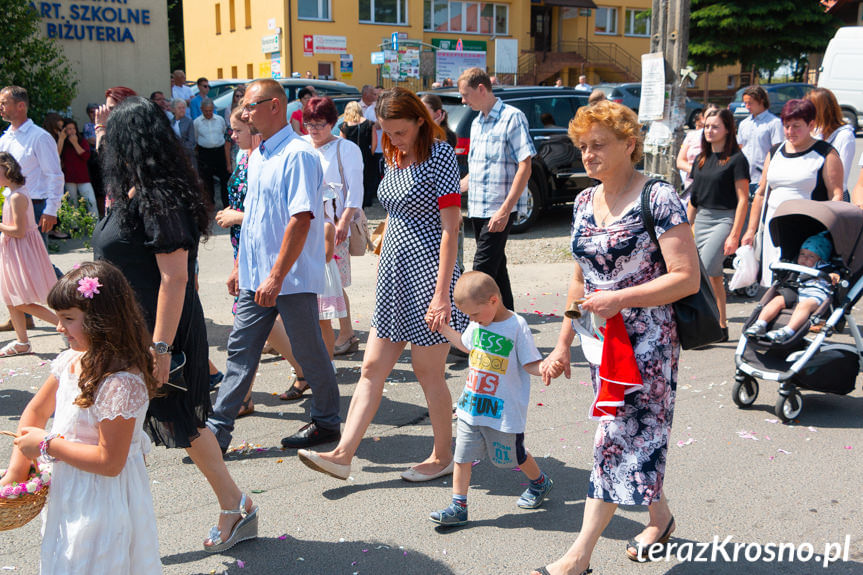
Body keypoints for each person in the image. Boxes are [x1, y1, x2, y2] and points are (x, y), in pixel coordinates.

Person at [535, 100, 700, 575]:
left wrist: (621, 299)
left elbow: (686, 277)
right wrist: (563, 343)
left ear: (630, 144)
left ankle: (577, 558)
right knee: (634, 439)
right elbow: (578, 281)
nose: (587, 155)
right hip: (600, 344)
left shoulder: (659, 196)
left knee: (615, 441)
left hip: (646, 346)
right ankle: (661, 517)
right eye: (582, 147)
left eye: (598, 145)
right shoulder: (585, 201)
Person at [93, 96, 257, 552]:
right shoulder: (132, 188)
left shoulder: (157, 195)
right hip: (127, 329)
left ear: (132, 142)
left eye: (113, 138)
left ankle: (234, 505)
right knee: (123, 423)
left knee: (179, 420)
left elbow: (176, 276)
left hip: (156, 332)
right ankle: (120, 524)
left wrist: (160, 348)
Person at [298, 87, 466, 483]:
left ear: (421, 122)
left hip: (428, 274)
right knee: (372, 367)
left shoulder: (439, 156)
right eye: (387, 131)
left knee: (428, 372)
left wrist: (442, 294)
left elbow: (451, 227)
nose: (392, 138)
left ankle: (442, 456)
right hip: (394, 273)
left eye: (400, 131)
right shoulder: (395, 153)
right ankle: (342, 455)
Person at [205, 79, 341, 453]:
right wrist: (239, 267)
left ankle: (327, 423)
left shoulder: (298, 154)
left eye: (251, 106)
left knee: (309, 352)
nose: (245, 113)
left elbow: (300, 220)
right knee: (240, 351)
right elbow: (257, 220)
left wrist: (277, 276)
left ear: (275, 106)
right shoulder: (260, 153)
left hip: (289, 279)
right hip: (256, 279)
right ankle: (217, 430)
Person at [0, 261, 162, 573]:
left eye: (68, 319)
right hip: (71, 490)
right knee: (67, 561)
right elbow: (33, 414)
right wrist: (16, 473)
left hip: (104, 502)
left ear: (102, 320)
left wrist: (46, 446)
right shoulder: (68, 362)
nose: (58, 327)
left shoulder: (120, 383)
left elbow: (110, 462)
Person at [428, 271, 552, 526]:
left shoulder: (516, 326)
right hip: (472, 406)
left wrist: (545, 368)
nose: (472, 320)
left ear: (493, 301)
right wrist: (443, 328)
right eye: (469, 316)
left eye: (474, 314)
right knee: (461, 456)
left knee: (515, 456)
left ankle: (540, 482)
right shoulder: (478, 323)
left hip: (503, 410)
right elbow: (466, 345)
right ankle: (458, 506)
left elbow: (530, 363)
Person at [215, 107, 302, 416]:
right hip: (243, 243)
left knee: (246, 327)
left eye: (237, 130)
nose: (232, 136)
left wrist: (236, 217)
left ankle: (242, 396)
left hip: (263, 249)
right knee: (263, 321)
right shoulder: (245, 158)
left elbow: (276, 213)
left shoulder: (269, 157)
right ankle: (304, 370)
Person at [741, 99, 844, 286]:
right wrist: (751, 230)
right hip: (775, 230)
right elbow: (762, 193)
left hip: (808, 235)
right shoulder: (775, 151)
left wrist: (830, 236)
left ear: (811, 125)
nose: (790, 132)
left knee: (799, 288)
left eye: (796, 126)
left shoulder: (826, 153)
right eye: (786, 126)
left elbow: (836, 195)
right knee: (773, 285)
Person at [458, 67, 535, 311]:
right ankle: (510, 323)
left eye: (465, 94)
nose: (463, 100)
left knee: (480, 273)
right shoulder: (477, 123)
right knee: (497, 272)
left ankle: (470, 332)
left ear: (481, 89)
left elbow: (525, 166)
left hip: (498, 210)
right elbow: (477, 173)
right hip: (478, 209)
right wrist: (449, 191)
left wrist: (505, 210)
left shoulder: (512, 117)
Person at [302, 97, 363, 359]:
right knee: (310, 285)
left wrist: (344, 223)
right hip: (304, 226)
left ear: (332, 123)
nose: (314, 130)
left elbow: (355, 192)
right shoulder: (301, 145)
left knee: (333, 284)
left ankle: (346, 333)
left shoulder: (346, 149)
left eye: (320, 124)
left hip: (334, 227)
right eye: (309, 124)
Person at [686, 108, 750, 341]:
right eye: (706, 126)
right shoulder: (701, 159)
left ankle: (708, 324)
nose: (709, 130)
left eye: (715, 126)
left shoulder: (737, 159)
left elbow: (744, 199)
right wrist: (684, 227)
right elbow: (694, 198)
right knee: (712, 275)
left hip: (725, 219)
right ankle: (721, 325)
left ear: (727, 130)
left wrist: (735, 234)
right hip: (701, 218)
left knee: (706, 267)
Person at [0, 152, 59, 356]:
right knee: (10, 297)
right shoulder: (12, 193)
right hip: (13, 249)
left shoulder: (17, 196)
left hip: (21, 250)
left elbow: (18, 230)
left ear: (6, 169)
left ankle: (63, 325)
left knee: (22, 299)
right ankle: (22, 342)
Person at [744, 232, 838, 343]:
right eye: (802, 254)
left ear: (821, 259)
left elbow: (835, 274)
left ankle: (787, 331)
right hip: (797, 291)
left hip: (816, 295)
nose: (804, 258)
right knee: (777, 300)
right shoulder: (795, 265)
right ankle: (760, 324)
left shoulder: (824, 267)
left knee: (804, 306)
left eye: (811, 256)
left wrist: (834, 275)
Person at [0, 86, 65, 241]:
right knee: (13, 259)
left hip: (34, 207)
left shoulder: (40, 137)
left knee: (35, 259)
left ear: (21, 106)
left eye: (4, 103)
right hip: (9, 204)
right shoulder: (5, 138)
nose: (0, 107)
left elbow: (54, 175)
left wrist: (51, 210)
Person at [805, 88, 856, 199]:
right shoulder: (816, 132)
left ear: (821, 110)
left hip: (835, 196)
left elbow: (841, 177)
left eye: (810, 109)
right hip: (813, 194)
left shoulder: (845, 135)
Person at [736, 85, 783, 195]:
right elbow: (740, 148)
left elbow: (776, 151)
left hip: (762, 178)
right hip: (744, 177)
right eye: (745, 103)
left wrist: (765, 177)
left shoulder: (774, 123)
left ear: (761, 101)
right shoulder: (744, 124)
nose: (747, 106)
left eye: (750, 103)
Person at [194, 97, 231, 208]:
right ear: (201, 109)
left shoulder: (220, 119)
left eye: (210, 110)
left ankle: (226, 204)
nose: (208, 113)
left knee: (224, 179)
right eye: (206, 111)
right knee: (207, 180)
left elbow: (224, 133)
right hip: (205, 153)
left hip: (219, 152)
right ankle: (210, 204)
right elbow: (196, 138)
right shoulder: (196, 122)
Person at [339, 100, 377, 208]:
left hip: (349, 157)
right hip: (366, 155)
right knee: (366, 180)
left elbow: (342, 143)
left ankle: (351, 203)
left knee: (350, 181)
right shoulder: (370, 123)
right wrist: (370, 154)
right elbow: (374, 143)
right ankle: (365, 202)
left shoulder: (344, 126)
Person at [58, 118, 97, 216]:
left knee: (91, 201)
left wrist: (75, 143)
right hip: (69, 178)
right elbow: (57, 154)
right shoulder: (64, 143)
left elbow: (86, 156)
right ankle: (74, 227)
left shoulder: (82, 141)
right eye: (69, 129)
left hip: (83, 177)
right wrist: (61, 139)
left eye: (73, 128)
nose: (71, 131)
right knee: (72, 204)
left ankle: (96, 226)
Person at [94, 86, 138, 151]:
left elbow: (105, 155)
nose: (107, 112)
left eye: (112, 108)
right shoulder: (114, 129)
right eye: (107, 108)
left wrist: (100, 128)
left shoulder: (135, 131)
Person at [171, 98, 197, 166]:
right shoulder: (170, 123)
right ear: (174, 110)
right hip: (174, 155)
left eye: (183, 108)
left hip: (187, 155)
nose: (182, 110)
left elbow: (192, 141)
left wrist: (180, 149)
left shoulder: (189, 122)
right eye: (179, 108)